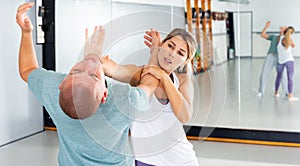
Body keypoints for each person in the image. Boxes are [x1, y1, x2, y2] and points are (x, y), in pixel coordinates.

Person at [16, 2, 159, 165]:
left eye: (76, 72)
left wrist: (26, 32)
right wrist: (154, 52)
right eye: (94, 76)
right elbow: (150, 83)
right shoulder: (126, 100)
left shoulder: (53, 89)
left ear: (61, 84)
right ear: (105, 94)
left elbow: (27, 70)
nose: (87, 64)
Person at [100, 28, 199, 165]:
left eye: (180, 53)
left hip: (180, 161)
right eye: (170, 46)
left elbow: (185, 116)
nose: (172, 54)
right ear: (162, 45)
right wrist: (97, 59)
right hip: (144, 160)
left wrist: (164, 77)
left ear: (185, 61)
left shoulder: (182, 80)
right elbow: (111, 69)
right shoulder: (140, 74)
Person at [257, 21, 288, 97]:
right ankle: (261, 91)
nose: (281, 27)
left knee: (282, 75)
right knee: (264, 74)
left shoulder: (285, 39)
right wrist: (266, 26)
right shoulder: (274, 37)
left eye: (283, 27)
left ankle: (287, 92)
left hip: (279, 58)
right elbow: (262, 35)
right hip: (270, 56)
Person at [275, 26, 298, 101]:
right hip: (289, 60)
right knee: (290, 78)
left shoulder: (280, 38)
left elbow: (280, 37)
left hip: (280, 61)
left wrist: (281, 31)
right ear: (291, 33)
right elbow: (293, 45)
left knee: (278, 77)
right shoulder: (289, 40)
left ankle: (276, 92)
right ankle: (290, 96)